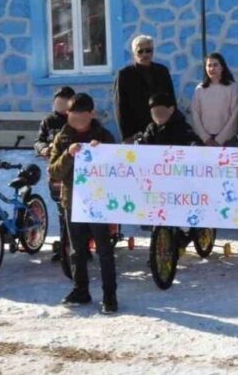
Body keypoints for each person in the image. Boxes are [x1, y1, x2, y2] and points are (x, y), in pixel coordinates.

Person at [48, 93, 119, 314]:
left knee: (104, 250)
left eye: (82, 116)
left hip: (99, 203)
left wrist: (103, 153)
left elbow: (118, 168)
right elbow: (54, 171)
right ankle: (81, 290)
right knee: (77, 251)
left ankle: (110, 296)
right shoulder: (62, 138)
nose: (77, 120)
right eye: (73, 115)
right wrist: (69, 155)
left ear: (91, 114)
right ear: (67, 114)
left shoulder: (104, 135)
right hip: (74, 202)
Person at [35, 86, 74, 262]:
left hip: (76, 172)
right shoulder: (48, 121)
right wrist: (43, 148)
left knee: (77, 210)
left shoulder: (76, 120)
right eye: (57, 102)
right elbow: (39, 141)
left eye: (64, 102)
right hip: (56, 171)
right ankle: (65, 245)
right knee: (62, 209)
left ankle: (80, 245)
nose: (60, 105)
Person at [115, 35, 175, 141]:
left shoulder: (162, 71)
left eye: (148, 50)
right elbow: (121, 107)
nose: (145, 54)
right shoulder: (125, 75)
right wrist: (127, 136)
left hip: (162, 129)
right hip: (136, 131)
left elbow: (171, 101)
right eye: (140, 51)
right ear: (134, 53)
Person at [191, 53, 238, 146]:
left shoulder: (232, 88)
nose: (212, 68)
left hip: (227, 140)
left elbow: (234, 115)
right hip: (204, 141)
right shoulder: (200, 89)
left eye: (215, 65)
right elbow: (195, 115)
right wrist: (206, 138)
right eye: (209, 65)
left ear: (222, 67)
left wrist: (219, 139)